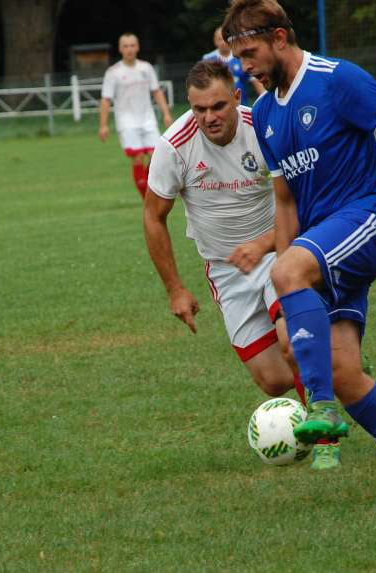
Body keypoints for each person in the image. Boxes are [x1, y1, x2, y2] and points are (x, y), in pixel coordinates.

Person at [223, 0, 376, 502]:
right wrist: (286, 285)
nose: (244, 67)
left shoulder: (336, 80)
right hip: (320, 250)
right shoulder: (265, 113)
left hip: (366, 220)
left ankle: (321, 411)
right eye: (238, 57)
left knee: (319, 362)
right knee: (345, 372)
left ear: (280, 38)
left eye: (249, 53)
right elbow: (285, 202)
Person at [143, 59, 342, 470]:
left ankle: (325, 441)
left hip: (281, 251)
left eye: (218, 106)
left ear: (236, 97)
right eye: (199, 110)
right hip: (226, 270)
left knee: (292, 343)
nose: (209, 118)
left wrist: (264, 243)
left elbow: (303, 201)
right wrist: (175, 288)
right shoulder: (174, 145)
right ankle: (332, 357)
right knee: (272, 380)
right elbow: (153, 217)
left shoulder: (264, 128)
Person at [99, 33, 173, 199]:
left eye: (132, 45)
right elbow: (106, 100)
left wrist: (166, 114)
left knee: (156, 158)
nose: (129, 49)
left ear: (137, 47)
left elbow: (156, 91)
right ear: (120, 49)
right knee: (138, 157)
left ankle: (150, 191)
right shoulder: (113, 72)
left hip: (148, 120)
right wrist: (103, 125)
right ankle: (146, 199)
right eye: (125, 46)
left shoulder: (146, 68)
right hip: (127, 122)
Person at [203, 26, 265, 105]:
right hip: (217, 107)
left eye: (225, 39)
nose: (223, 42)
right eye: (219, 39)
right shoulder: (208, 59)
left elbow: (256, 81)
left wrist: (263, 97)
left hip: (241, 105)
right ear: (215, 41)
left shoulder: (242, 57)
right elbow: (204, 85)